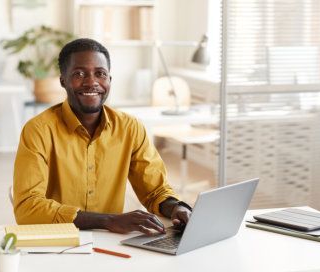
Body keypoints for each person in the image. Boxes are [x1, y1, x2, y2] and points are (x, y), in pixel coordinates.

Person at [13, 38, 192, 235]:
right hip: (58, 238)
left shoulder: (130, 128)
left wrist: (177, 208)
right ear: (63, 81)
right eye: (79, 74)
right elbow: (27, 208)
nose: (91, 82)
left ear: (109, 80)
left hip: (110, 240)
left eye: (100, 74)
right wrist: (108, 220)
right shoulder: (38, 131)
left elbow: (155, 191)